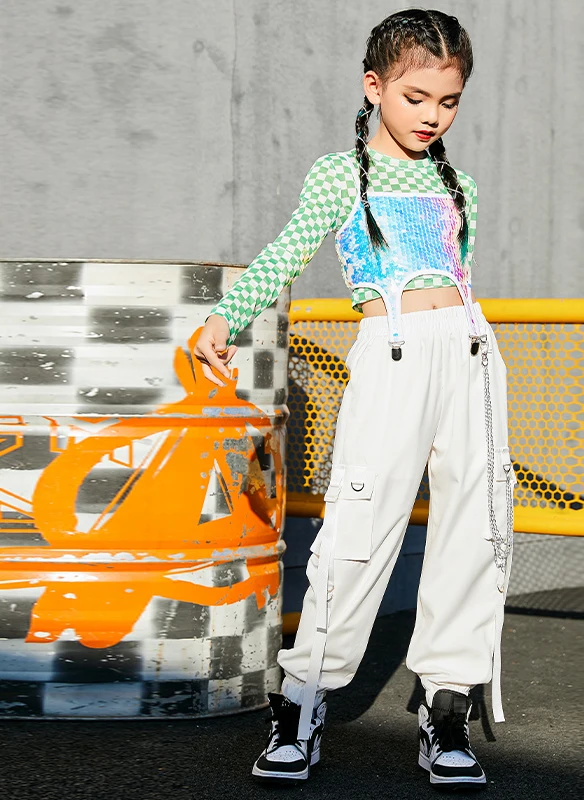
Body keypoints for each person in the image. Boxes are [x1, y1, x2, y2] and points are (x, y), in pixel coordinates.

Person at [194, 8, 515, 788]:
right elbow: (290, 248)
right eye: (415, 97)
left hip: (472, 357)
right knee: (358, 525)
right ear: (374, 87)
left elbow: (458, 281)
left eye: (448, 101)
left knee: (477, 528)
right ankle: (302, 703)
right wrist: (228, 316)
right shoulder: (341, 174)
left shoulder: (460, 184)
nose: (432, 115)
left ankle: (446, 706)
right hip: (392, 354)